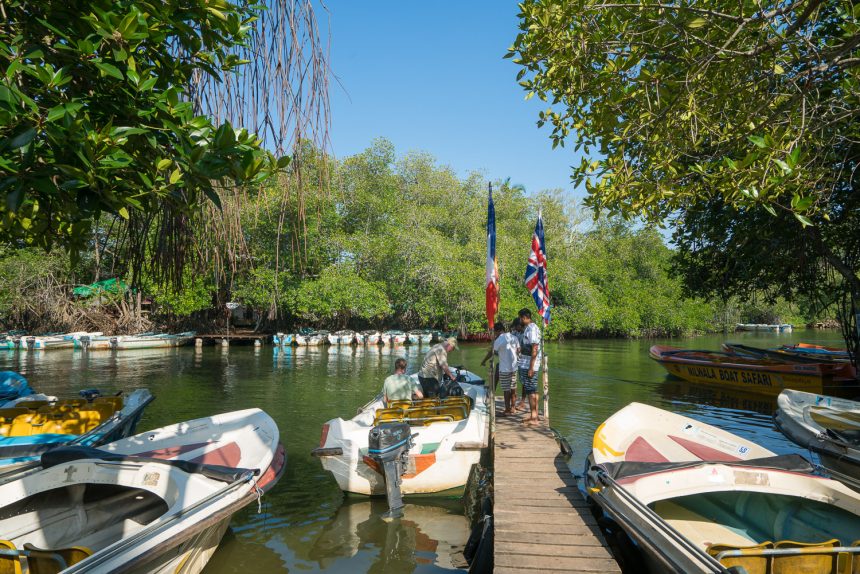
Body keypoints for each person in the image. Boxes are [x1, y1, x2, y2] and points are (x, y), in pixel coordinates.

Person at [481, 322, 520, 415]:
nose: (494, 334)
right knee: (513, 387)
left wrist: (484, 361)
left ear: (497, 331)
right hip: (514, 367)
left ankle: (507, 409)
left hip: (504, 369)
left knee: (506, 389)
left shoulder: (499, 340)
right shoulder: (514, 337)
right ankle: (513, 408)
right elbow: (518, 351)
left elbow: (491, 352)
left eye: (494, 332)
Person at [517, 308, 542, 425]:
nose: (519, 320)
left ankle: (534, 417)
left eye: (520, 318)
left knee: (531, 390)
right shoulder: (529, 328)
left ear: (524, 317)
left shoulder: (532, 329)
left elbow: (534, 349)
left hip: (529, 365)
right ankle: (534, 415)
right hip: (526, 363)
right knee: (532, 389)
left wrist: (531, 368)